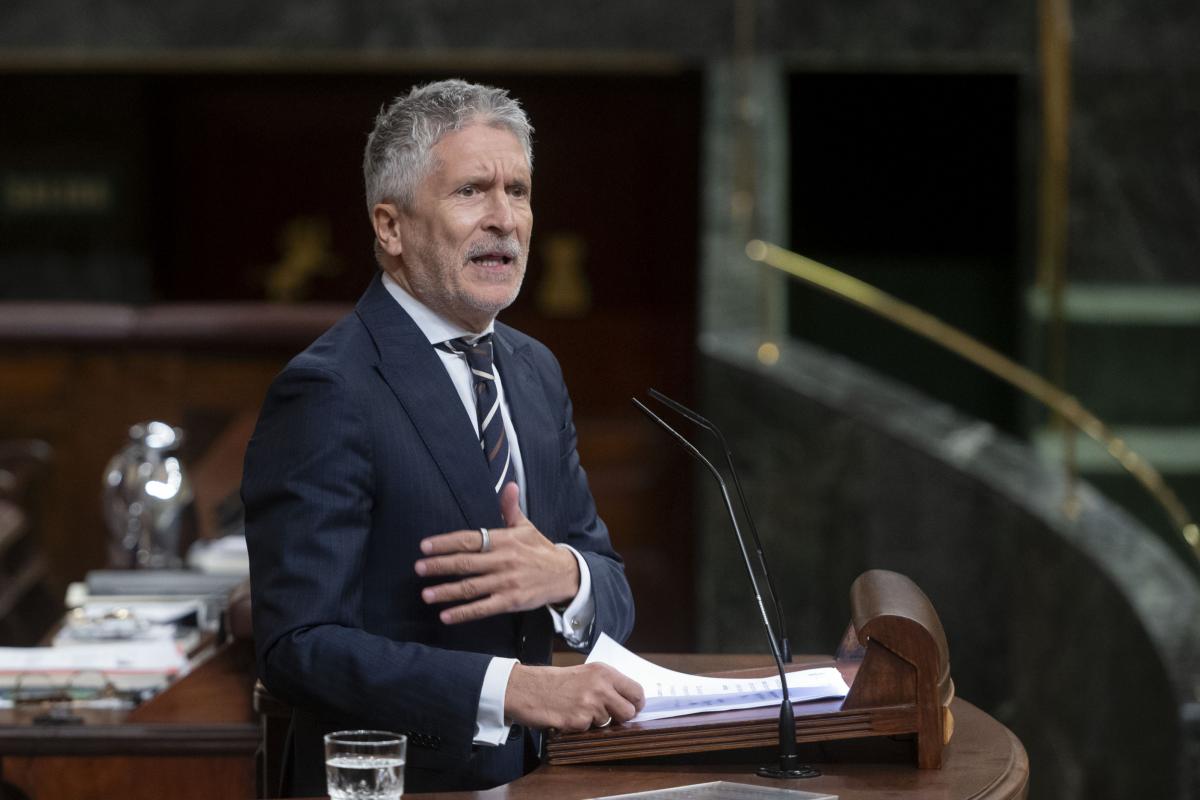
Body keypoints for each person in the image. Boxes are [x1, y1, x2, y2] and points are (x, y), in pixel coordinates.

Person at [243, 79, 644, 795]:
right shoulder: (330, 389)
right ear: (390, 228)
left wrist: (568, 577)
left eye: (518, 191)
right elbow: (297, 648)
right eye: (471, 192)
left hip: (543, 778)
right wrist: (507, 689)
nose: (505, 220)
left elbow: (611, 583)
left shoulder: (534, 369)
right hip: (400, 783)